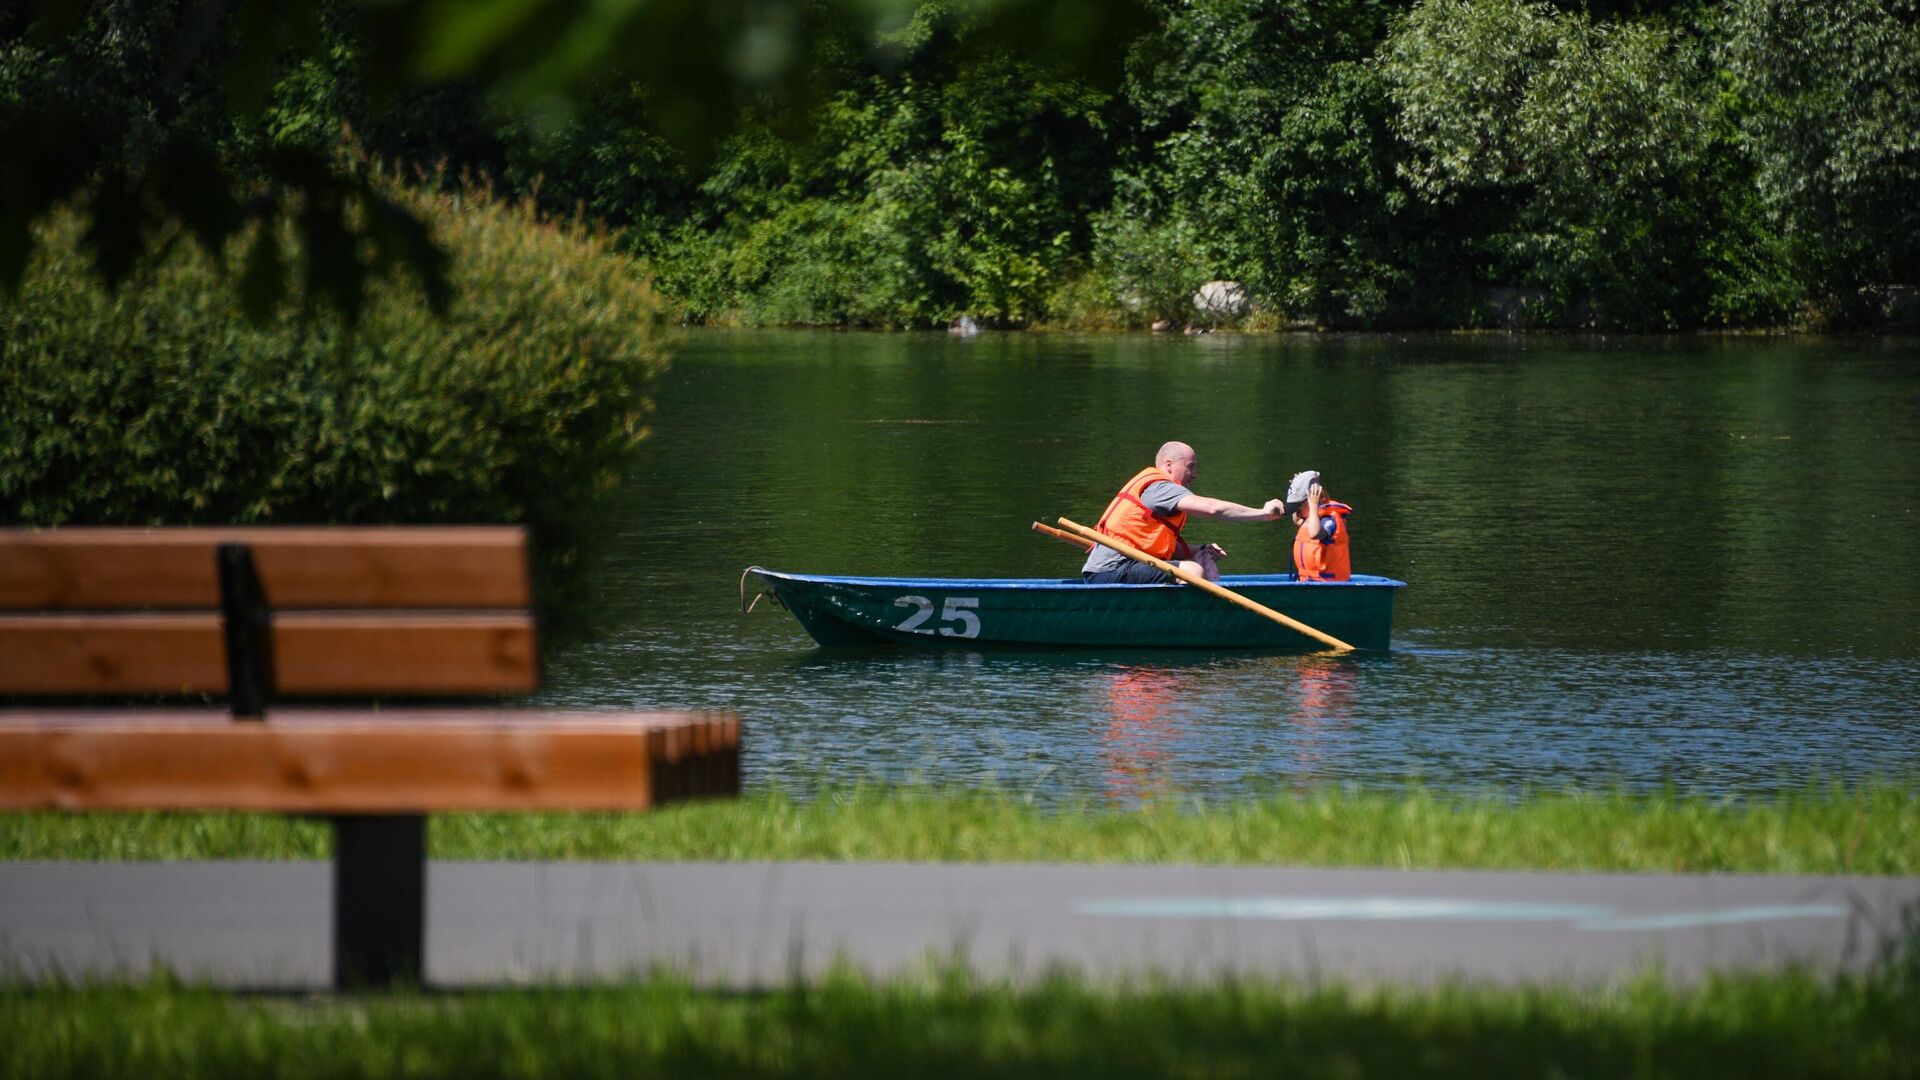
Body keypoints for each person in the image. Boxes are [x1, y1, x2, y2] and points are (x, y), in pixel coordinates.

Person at [1082, 441, 1287, 584]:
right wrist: (1263, 513)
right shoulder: (1161, 488)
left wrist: (1200, 549)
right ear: (1169, 465)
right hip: (1112, 570)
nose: (1195, 475)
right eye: (1190, 467)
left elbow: (1153, 547)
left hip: (1115, 568)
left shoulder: (1156, 490)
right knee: (1193, 571)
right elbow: (1213, 509)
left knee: (1191, 563)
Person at [1286, 470, 1353, 581]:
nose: (1297, 513)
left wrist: (1313, 505)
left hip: (1329, 584)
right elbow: (1296, 520)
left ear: (1316, 500)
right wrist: (1295, 490)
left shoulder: (1329, 520)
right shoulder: (1309, 517)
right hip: (1309, 581)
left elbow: (1315, 533)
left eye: (1299, 508)